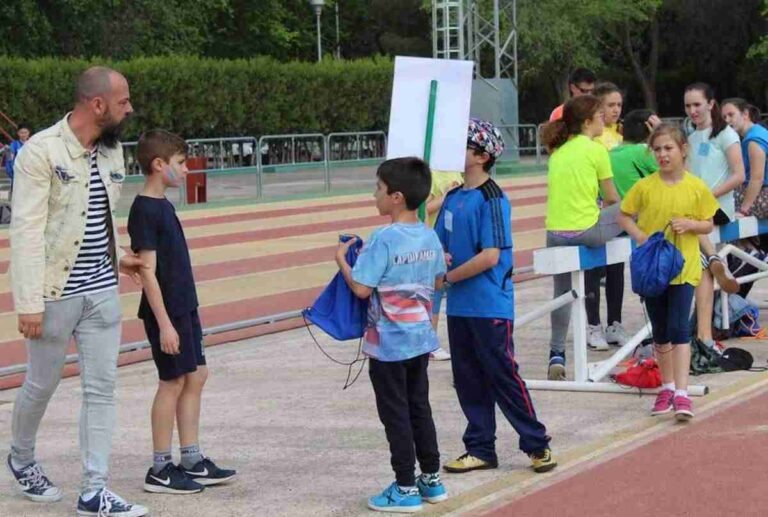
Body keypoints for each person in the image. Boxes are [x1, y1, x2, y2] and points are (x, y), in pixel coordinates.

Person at [7, 66, 148, 516]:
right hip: (54, 293)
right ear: (98, 104)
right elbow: (27, 232)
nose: (130, 109)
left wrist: (118, 256)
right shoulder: (40, 152)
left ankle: (94, 490)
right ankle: (21, 458)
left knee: (101, 389)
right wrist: (29, 303)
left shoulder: (111, 151)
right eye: (123, 102)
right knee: (41, 384)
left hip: (102, 290)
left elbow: (99, 216)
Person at [435, 118, 557, 476]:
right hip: (460, 306)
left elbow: (491, 255)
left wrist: (448, 277)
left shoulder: (493, 199)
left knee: (502, 374)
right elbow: (438, 242)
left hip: (489, 304)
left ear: (482, 155)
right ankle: (480, 448)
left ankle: (537, 443)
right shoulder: (453, 197)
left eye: (463, 144)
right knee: (467, 377)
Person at [335, 157, 448, 513]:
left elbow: (361, 288)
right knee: (419, 407)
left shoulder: (382, 239)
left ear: (396, 197)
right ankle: (431, 479)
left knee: (395, 413)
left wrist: (342, 260)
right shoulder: (429, 235)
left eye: (379, 189)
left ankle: (404, 486)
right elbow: (438, 282)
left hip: (388, 344)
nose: (375, 195)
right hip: (420, 339)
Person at [128, 130, 236, 496]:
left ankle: (191, 458)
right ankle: (160, 468)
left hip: (184, 305)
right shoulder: (145, 209)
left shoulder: (164, 205)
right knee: (172, 381)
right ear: (159, 165)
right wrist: (164, 325)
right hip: (167, 312)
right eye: (181, 163)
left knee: (197, 375)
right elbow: (147, 271)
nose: (187, 169)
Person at [618, 123, 719, 420]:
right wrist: (640, 236)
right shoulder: (645, 186)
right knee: (660, 331)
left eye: (668, 148)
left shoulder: (696, 186)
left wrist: (690, 224)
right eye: (657, 149)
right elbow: (624, 215)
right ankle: (667, 387)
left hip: (684, 269)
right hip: (653, 271)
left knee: (679, 329)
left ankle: (682, 394)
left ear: (683, 150)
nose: (662, 154)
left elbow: (708, 223)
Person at [542, 96, 624, 380]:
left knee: (562, 293)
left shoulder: (557, 153)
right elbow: (612, 198)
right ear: (588, 122)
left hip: (554, 234)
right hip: (587, 232)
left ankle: (556, 353)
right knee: (636, 205)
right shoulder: (597, 150)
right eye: (601, 116)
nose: (605, 120)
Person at [684, 83, 744, 352]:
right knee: (703, 270)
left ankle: (702, 331)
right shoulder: (692, 136)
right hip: (696, 209)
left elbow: (739, 175)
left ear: (711, 104)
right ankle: (713, 259)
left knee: (691, 232)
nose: (692, 110)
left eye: (697, 104)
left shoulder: (726, 135)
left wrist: (708, 195)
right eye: (688, 106)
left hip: (717, 208)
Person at [586, 82, 627, 349]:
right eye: (610, 105)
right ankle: (593, 326)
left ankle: (615, 323)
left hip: (617, 211)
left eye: (619, 105)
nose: (616, 110)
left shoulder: (620, 137)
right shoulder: (592, 138)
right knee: (593, 268)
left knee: (616, 267)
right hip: (594, 211)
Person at [426, 169, 464, 361]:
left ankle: (432, 341)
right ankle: (429, 343)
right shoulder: (432, 174)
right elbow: (423, 209)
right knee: (435, 292)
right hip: (435, 238)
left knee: (443, 290)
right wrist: (446, 196)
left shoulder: (456, 172)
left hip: (452, 239)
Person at [722, 99, 768, 221]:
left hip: (763, 196)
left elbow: (757, 178)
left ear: (745, 114)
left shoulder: (754, 140)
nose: (727, 120)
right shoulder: (758, 132)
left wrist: (743, 210)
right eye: (724, 117)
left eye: (731, 115)